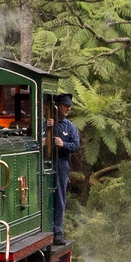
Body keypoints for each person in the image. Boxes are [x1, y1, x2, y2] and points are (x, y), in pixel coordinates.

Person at [49, 93, 81, 240]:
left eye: (69, 107)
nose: (68, 109)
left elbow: (75, 145)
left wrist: (63, 144)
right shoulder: (46, 123)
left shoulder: (70, 127)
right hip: (45, 161)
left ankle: (57, 229)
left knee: (60, 195)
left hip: (61, 163)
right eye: (66, 106)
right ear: (58, 106)